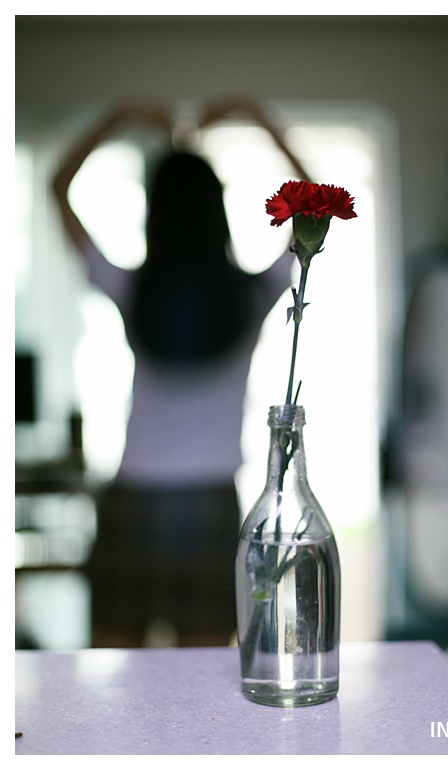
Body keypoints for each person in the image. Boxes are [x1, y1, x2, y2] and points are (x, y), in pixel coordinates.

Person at [53, 100, 311, 647]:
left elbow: (58, 185)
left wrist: (120, 115)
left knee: (113, 681)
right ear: (218, 211)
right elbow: (314, 204)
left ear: (154, 211)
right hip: (211, 502)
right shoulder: (250, 295)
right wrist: (253, 115)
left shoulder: (132, 289)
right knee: (201, 686)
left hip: (133, 499)